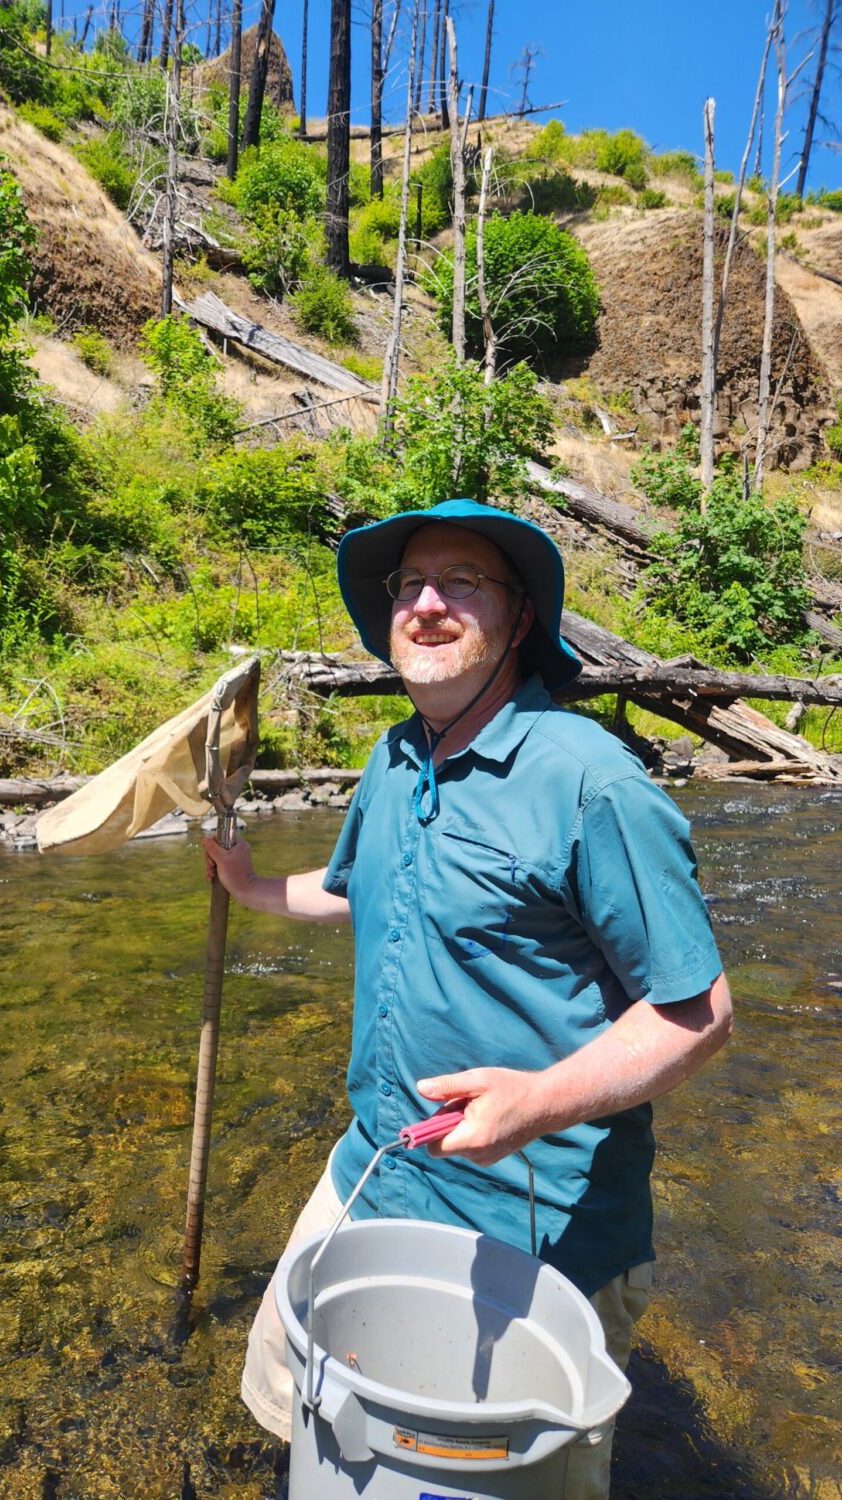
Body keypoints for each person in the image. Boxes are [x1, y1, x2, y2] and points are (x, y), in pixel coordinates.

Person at [204, 498, 732, 1500]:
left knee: (487, 1477)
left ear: (520, 618)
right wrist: (251, 886)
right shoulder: (397, 757)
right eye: (409, 586)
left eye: (462, 584)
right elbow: (355, 888)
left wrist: (537, 1103)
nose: (428, 605)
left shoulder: (590, 782)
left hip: (534, 1211)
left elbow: (699, 1011)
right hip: (375, 1166)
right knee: (289, 1397)